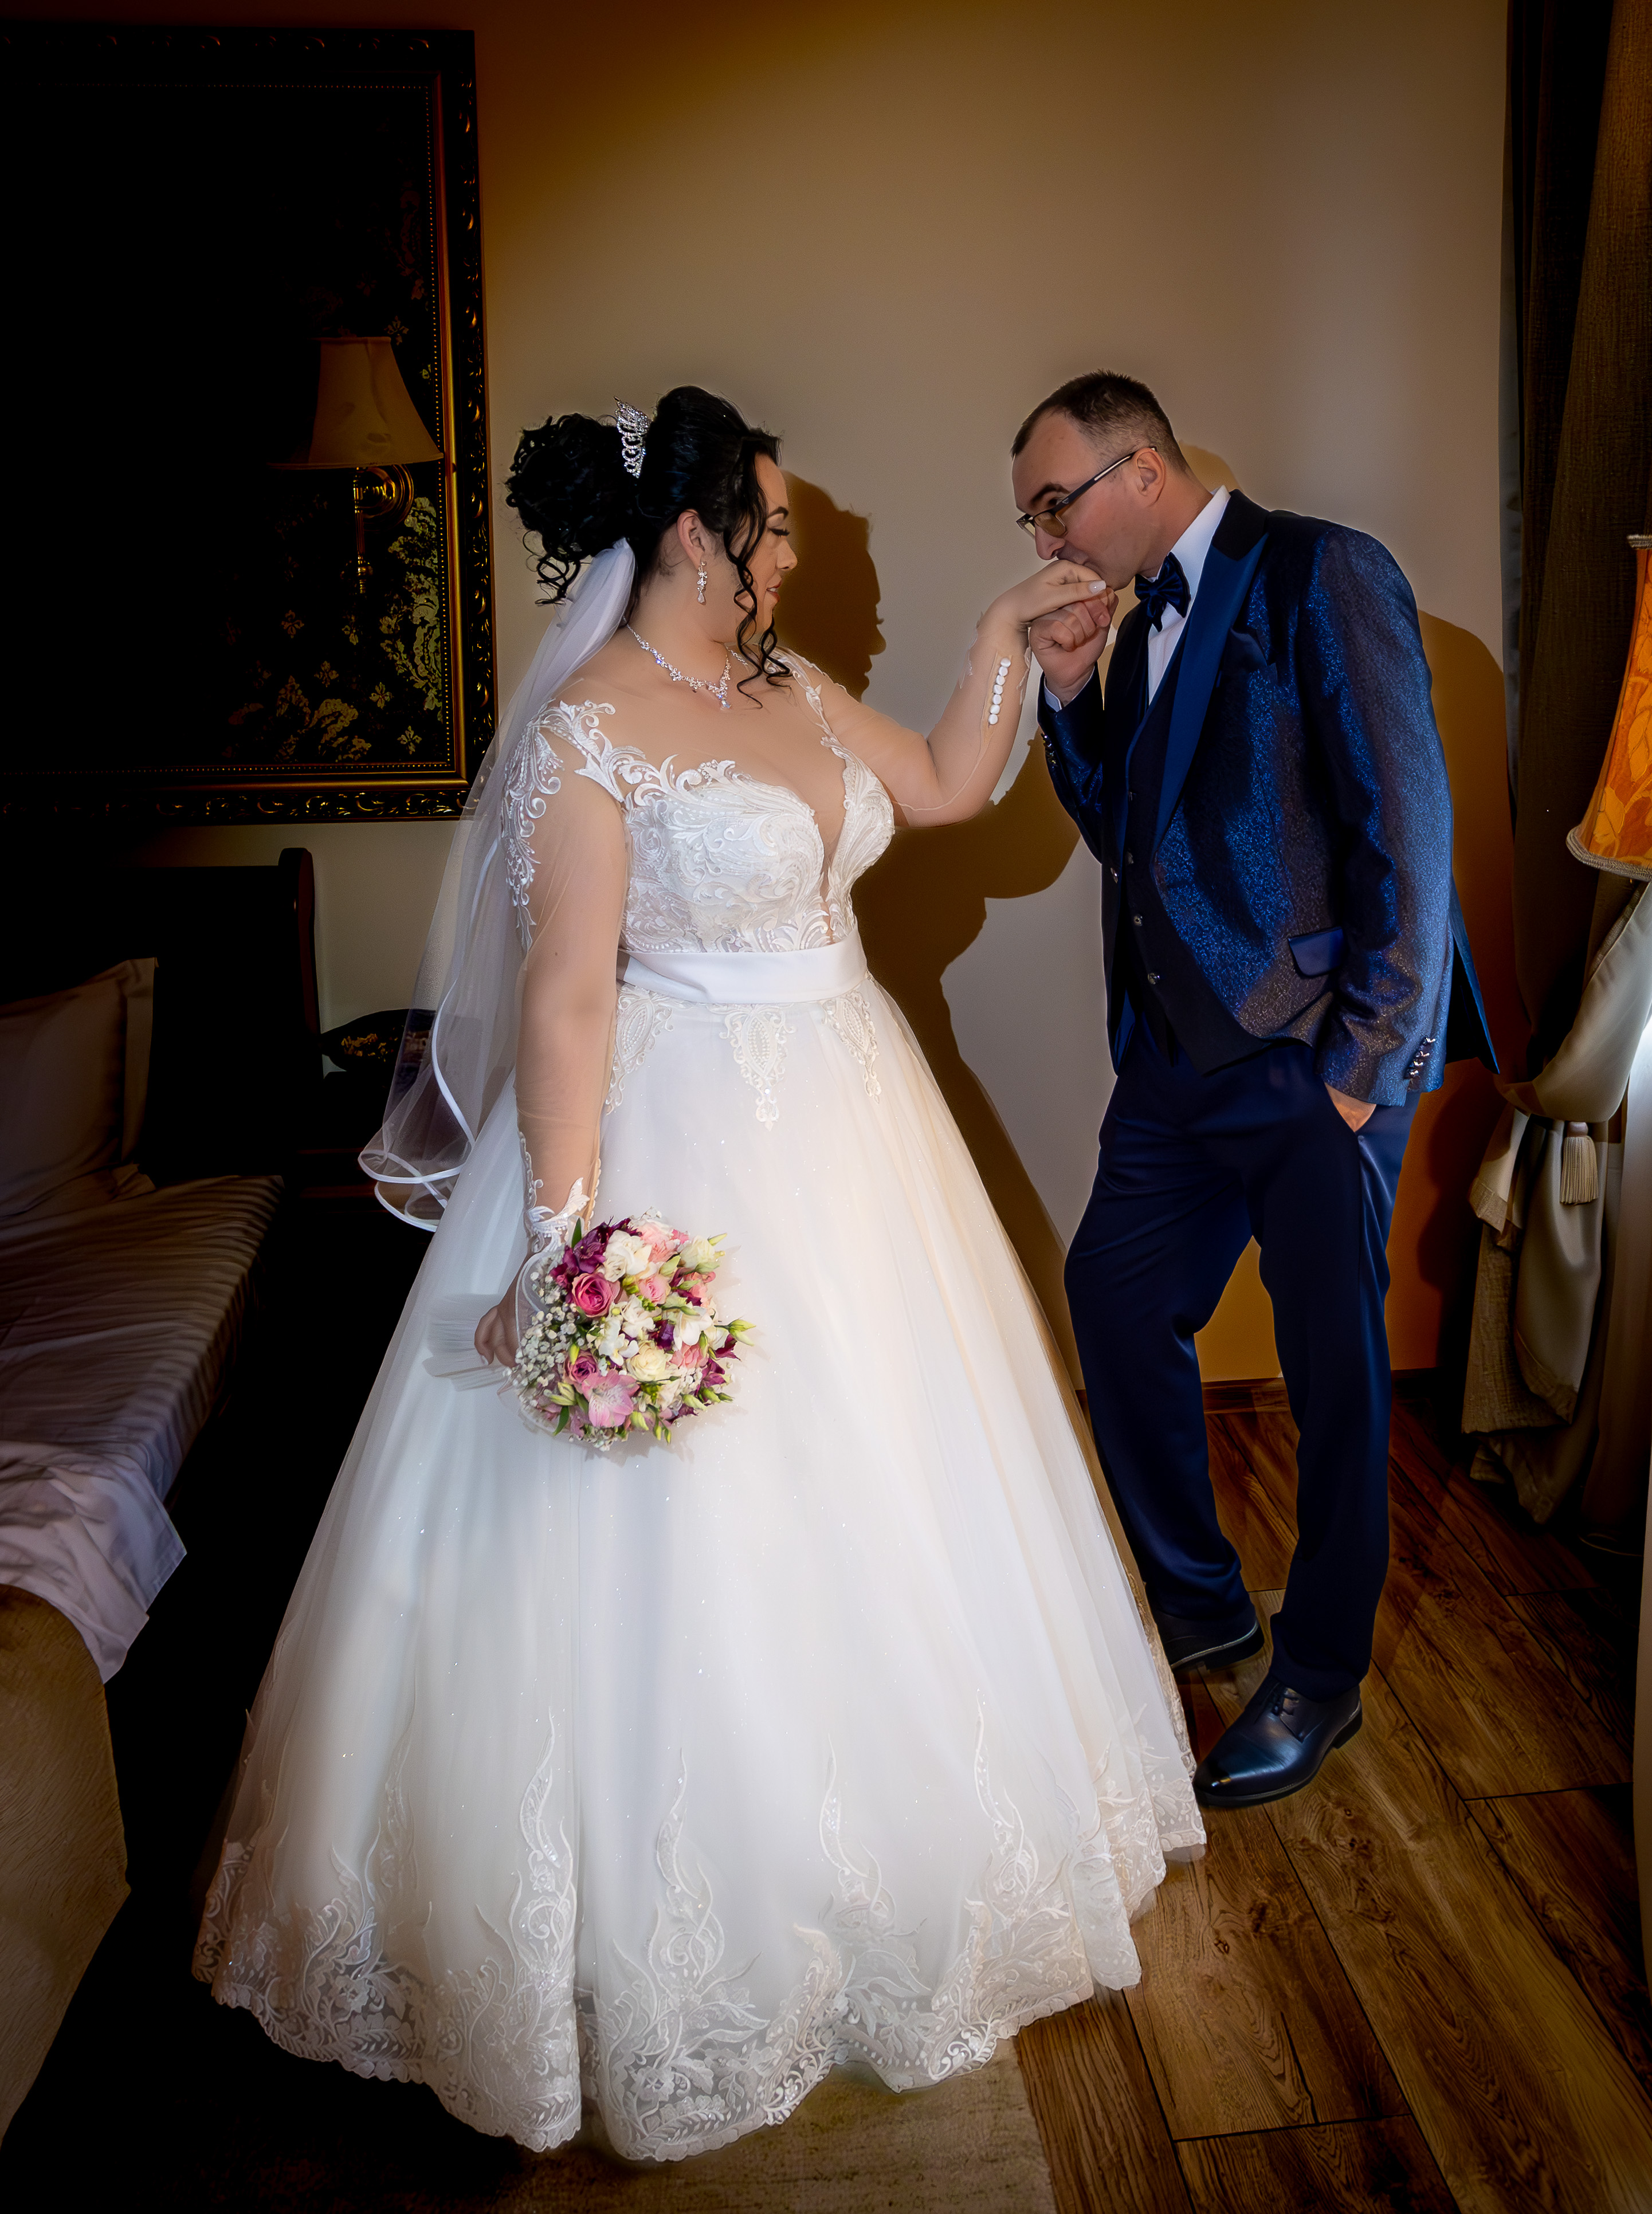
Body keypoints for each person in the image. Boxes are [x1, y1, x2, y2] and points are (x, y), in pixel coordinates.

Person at [193, 386, 1204, 2161]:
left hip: (856, 1130)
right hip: (680, 1138)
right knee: (677, 1528)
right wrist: (566, 1238)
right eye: (779, 524)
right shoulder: (588, 729)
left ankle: (913, 1857)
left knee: (895, 1485)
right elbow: (569, 994)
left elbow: (947, 785)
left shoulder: (784, 686)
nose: (794, 554)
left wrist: (1002, 642)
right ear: (693, 530)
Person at [1018, 371, 1493, 1812]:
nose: (1046, 539)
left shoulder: (1321, 570)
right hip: (1173, 1061)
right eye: (1031, 518)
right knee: (1111, 1300)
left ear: (1140, 470)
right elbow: (1124, 831)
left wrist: (1360, 1074)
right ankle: (1203, 1606)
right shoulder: (1133, 621)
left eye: (1054, 504)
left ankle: (1320, 1674)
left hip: (1310, 1061)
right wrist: (1067, 694)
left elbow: (1406, 825)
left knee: (1333, 1377)